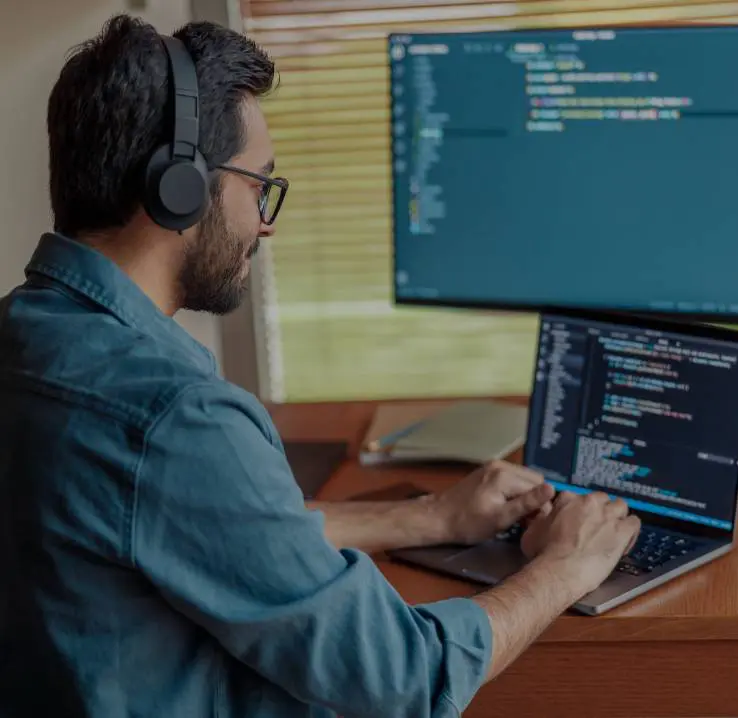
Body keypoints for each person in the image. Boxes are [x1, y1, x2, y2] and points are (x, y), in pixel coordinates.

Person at [0, 15, 640, 718]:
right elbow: (404, 677)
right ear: (177, 188)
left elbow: (217, 527)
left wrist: (430, 516)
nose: (267, 222)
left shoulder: (25, 339)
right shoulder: (173, 416)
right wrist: (567, 566)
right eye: (258, 185)